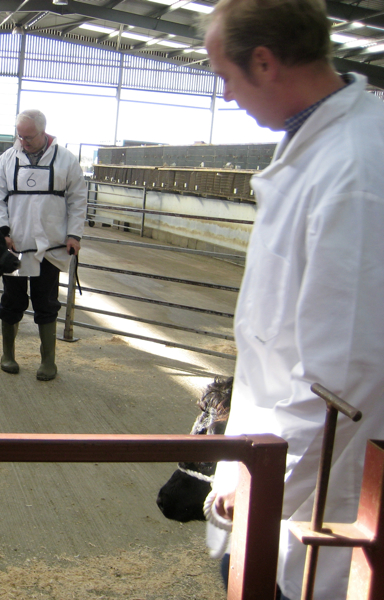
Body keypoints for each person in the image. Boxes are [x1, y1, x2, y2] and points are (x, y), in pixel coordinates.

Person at [202, 1, 384, 599]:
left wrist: (265, 481)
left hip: (314, 485)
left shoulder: (356, 169)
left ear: (265, 61)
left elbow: (347, 375)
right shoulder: (315, 144)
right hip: (273, 448)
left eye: (225, 76)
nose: (226, 95)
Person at [0, 109, 87, 381]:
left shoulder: (66, 159)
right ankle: (7, 355)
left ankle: (48, 362)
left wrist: (74, 235)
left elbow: (78, 199)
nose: (23, 141)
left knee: (46, 303)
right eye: (19, 136)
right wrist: (2, 231)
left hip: (51, 247)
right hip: (15, 246)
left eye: (29, 137)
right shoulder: (7, 159)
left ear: (44, 132)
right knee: (12, 301)